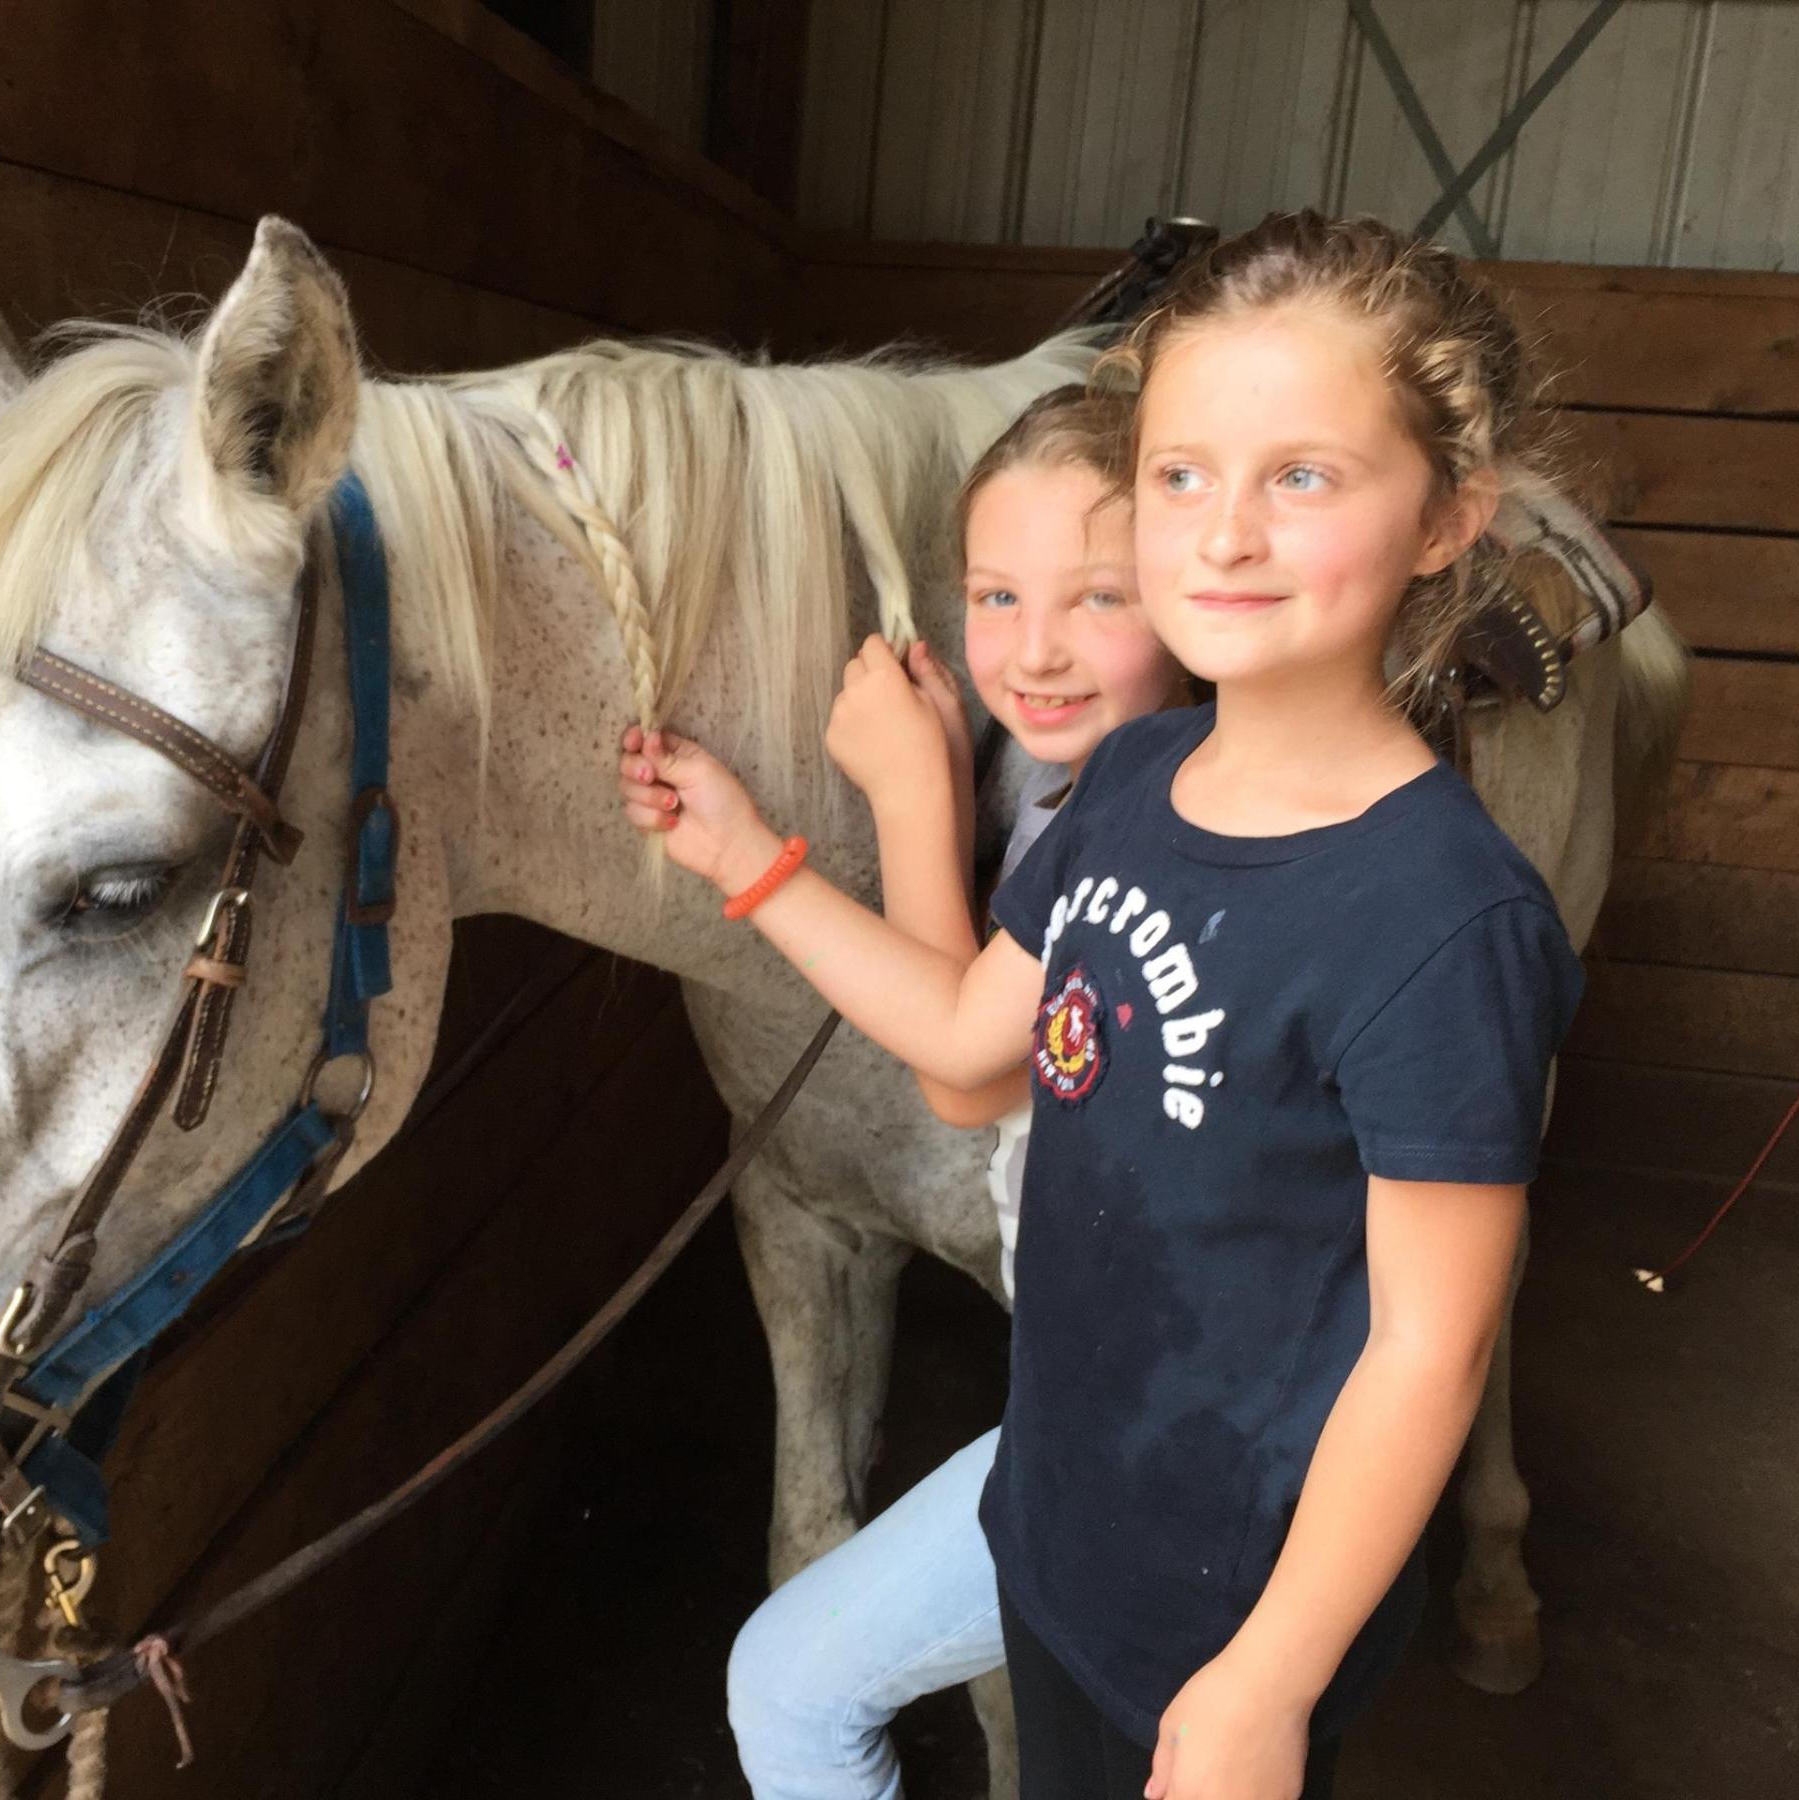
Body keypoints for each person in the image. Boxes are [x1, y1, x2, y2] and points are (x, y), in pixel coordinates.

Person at [619, 211, 1583, 1799]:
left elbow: (1431, 1342)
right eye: (1183, 475)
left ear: (1447, 515)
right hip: (1058, 1502)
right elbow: (961, 1041)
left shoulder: (1442, 921)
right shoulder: (1132, 782)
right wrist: (748, 858)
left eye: (1305, 477)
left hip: (1221, 1603)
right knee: (790, 1679)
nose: (1221, 536)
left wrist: (1268, 1683)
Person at [722, 381, 1181, 1800]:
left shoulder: (1139, 823)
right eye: (994, 593)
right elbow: (976, 1073)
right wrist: (752, 846)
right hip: (1089, 1415)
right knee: (791, 1683)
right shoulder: (1066, 802)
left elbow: (964, 1071)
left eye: (1100, 597)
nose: (1034, 651)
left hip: (1167, 1446)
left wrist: (909, 808)